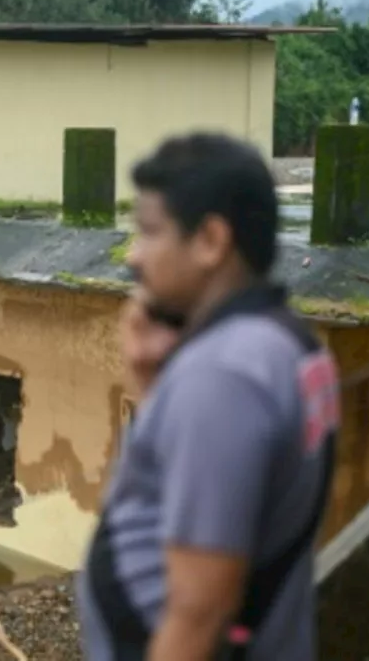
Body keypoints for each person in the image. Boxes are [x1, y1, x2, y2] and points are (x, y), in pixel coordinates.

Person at [76, 133, 341, 661]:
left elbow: (201, 608)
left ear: (210, 241)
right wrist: (155, 383)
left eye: (150, 232)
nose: (133, 256)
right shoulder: (286, 344)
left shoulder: (223, 375)